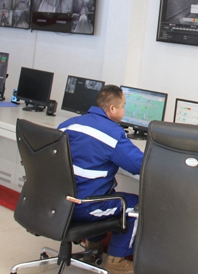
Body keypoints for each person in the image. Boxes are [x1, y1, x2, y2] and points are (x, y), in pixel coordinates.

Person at [58, 85, 142, 274]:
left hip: (59, 202)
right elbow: (139, 165)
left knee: (103, 191)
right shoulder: (112, 134)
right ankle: (115, 261)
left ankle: (92, 247)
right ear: (112, 109)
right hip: (84, 207)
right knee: (136, 205)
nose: (124, 110)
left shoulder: (68, 124)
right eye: (123, 106)